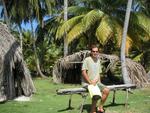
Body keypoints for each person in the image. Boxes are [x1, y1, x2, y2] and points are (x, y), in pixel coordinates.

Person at [81, 45, 110, 113]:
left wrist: (99, 83)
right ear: (91, 52)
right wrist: (90, 82)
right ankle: (92, 111)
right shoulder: (87, 60)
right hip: (87, 83)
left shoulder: (98, 60)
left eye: (96, 51)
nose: (95, 53)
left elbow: (98, 73)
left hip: (96, 83)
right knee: (96, 95)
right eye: (93, 51)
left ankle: (100, 106)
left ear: (98, 52)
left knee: (107, 90)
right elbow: (83, 72)